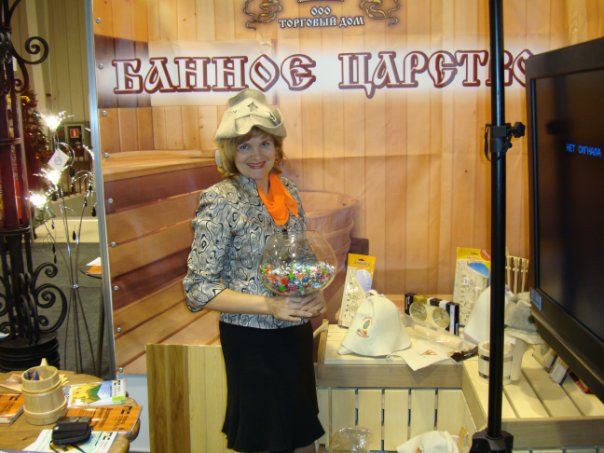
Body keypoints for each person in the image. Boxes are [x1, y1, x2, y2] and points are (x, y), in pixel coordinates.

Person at [183, 88, 326, 453]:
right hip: (251, 341)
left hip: (294, 331)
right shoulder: (220, 200)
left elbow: (300, 256)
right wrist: (269, 305)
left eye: (265, 143)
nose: (257, 155)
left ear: (277, 147)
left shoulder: (287, 188)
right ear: (229, 152)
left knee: (301, 434)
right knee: (265, 440)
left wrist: (314, 291)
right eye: (245, 146)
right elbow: (198, 289)